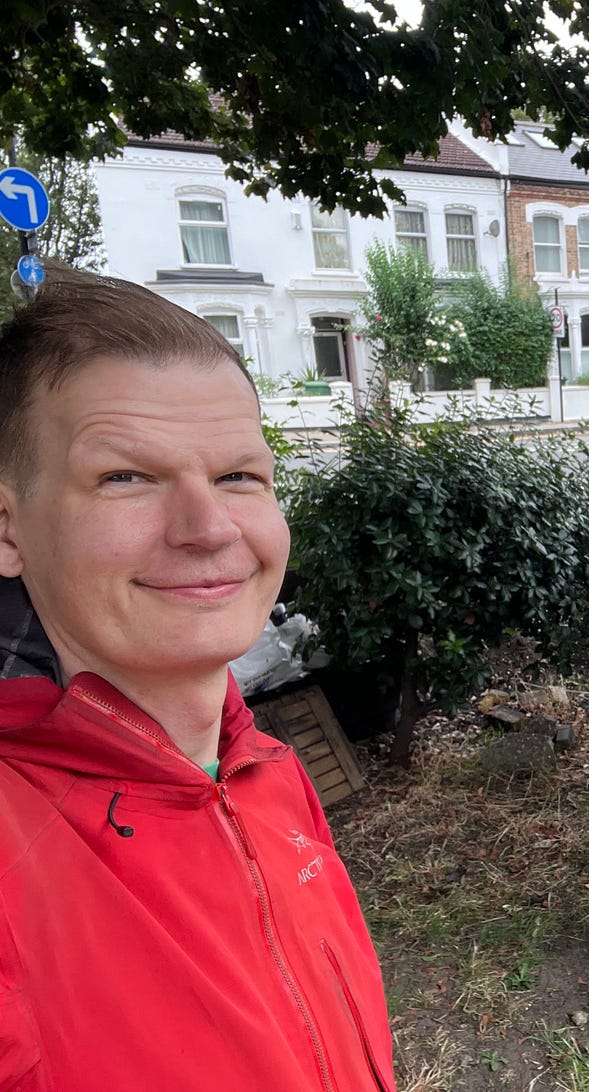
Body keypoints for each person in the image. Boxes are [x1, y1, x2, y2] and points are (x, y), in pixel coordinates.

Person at [0, 266, 394, 1090]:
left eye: (238, 476)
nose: (209, 528)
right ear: (8, 528)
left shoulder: (268, 773)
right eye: (126, 477)